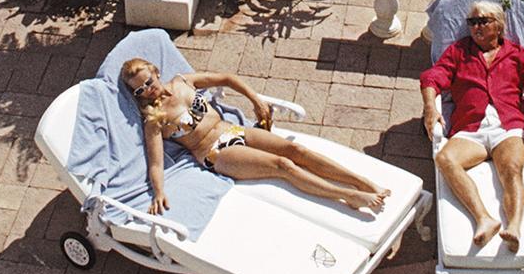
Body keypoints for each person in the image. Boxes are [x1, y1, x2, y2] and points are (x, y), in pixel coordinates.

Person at [121, 59, 389, 214]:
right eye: (140, 90)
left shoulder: (183, 82)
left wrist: (255, 99)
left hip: (234, 131)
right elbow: (155, 162)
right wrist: (158, 192)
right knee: (284, 166)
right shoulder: (154, 120)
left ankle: (361, 182)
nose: (148, 90)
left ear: (156, 72)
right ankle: (346, 195)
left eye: (149, 82)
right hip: (216, 153)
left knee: (297, 151)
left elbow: (226, 78)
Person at [420, 0, 524, 253]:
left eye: (483, 21)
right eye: (472, 22)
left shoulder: (516, 54)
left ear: (499, 26)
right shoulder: (459, 51)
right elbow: (432, 77)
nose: (476, 27)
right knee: (446, 158)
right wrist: (430, 107)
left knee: (511, 169)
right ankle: (484, 218)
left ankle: (513, 227)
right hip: (471, 127)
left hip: (509, 125)